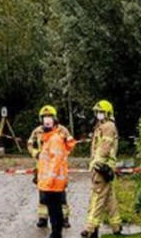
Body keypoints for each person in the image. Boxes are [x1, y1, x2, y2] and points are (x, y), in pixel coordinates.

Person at [36, 105, 77, 238]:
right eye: (45, 118)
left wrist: (48, 180)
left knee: (55, 211)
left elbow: (56, 162)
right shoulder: (49, 138)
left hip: (53, 183)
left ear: (55, 120)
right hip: (50, 182)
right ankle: (55, 233)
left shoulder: (54, 139)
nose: (47, 120)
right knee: (54, 210)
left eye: (49, 117)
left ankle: (56, 234)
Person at [82, 100, 122, 237]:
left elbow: (105, 147)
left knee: (97, 197)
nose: (98, 114)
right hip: (104, 166)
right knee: (109, 198)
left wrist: (97, 164)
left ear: (108, 113)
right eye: (97, 112)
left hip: (102, 167)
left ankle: (91, 229)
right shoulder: (103, 126)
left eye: (101, 112)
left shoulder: (108, 126)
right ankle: (116, 227)